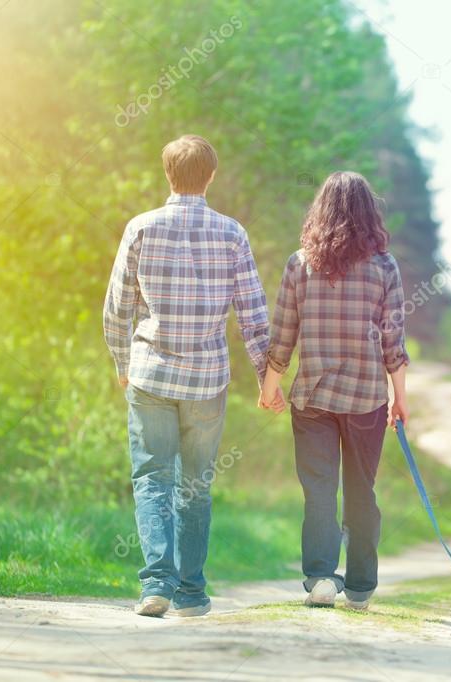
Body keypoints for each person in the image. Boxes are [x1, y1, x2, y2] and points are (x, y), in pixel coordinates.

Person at [103, 134, 281, 618]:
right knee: (195, 485)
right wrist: (268, 377)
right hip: (206, 380)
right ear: (211, 176)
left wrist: (123, 363)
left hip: (151, 375)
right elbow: (252, 314)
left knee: (151, 480)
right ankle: (191, 592)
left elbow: (117, 307)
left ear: (168, 174)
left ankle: (155, 585)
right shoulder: (232, 233)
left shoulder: (140, 228)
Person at [259, 170, 409, 611]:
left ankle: (321, 577)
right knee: (362, 490)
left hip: (313, 400)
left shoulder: (299, 264)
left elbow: (282, 334)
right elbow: (393, 340)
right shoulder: (385, 266)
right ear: (369, 213)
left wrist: (271, 386)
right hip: (366, 399)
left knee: (319, 490)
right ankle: (361, 586)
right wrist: (401, 398)